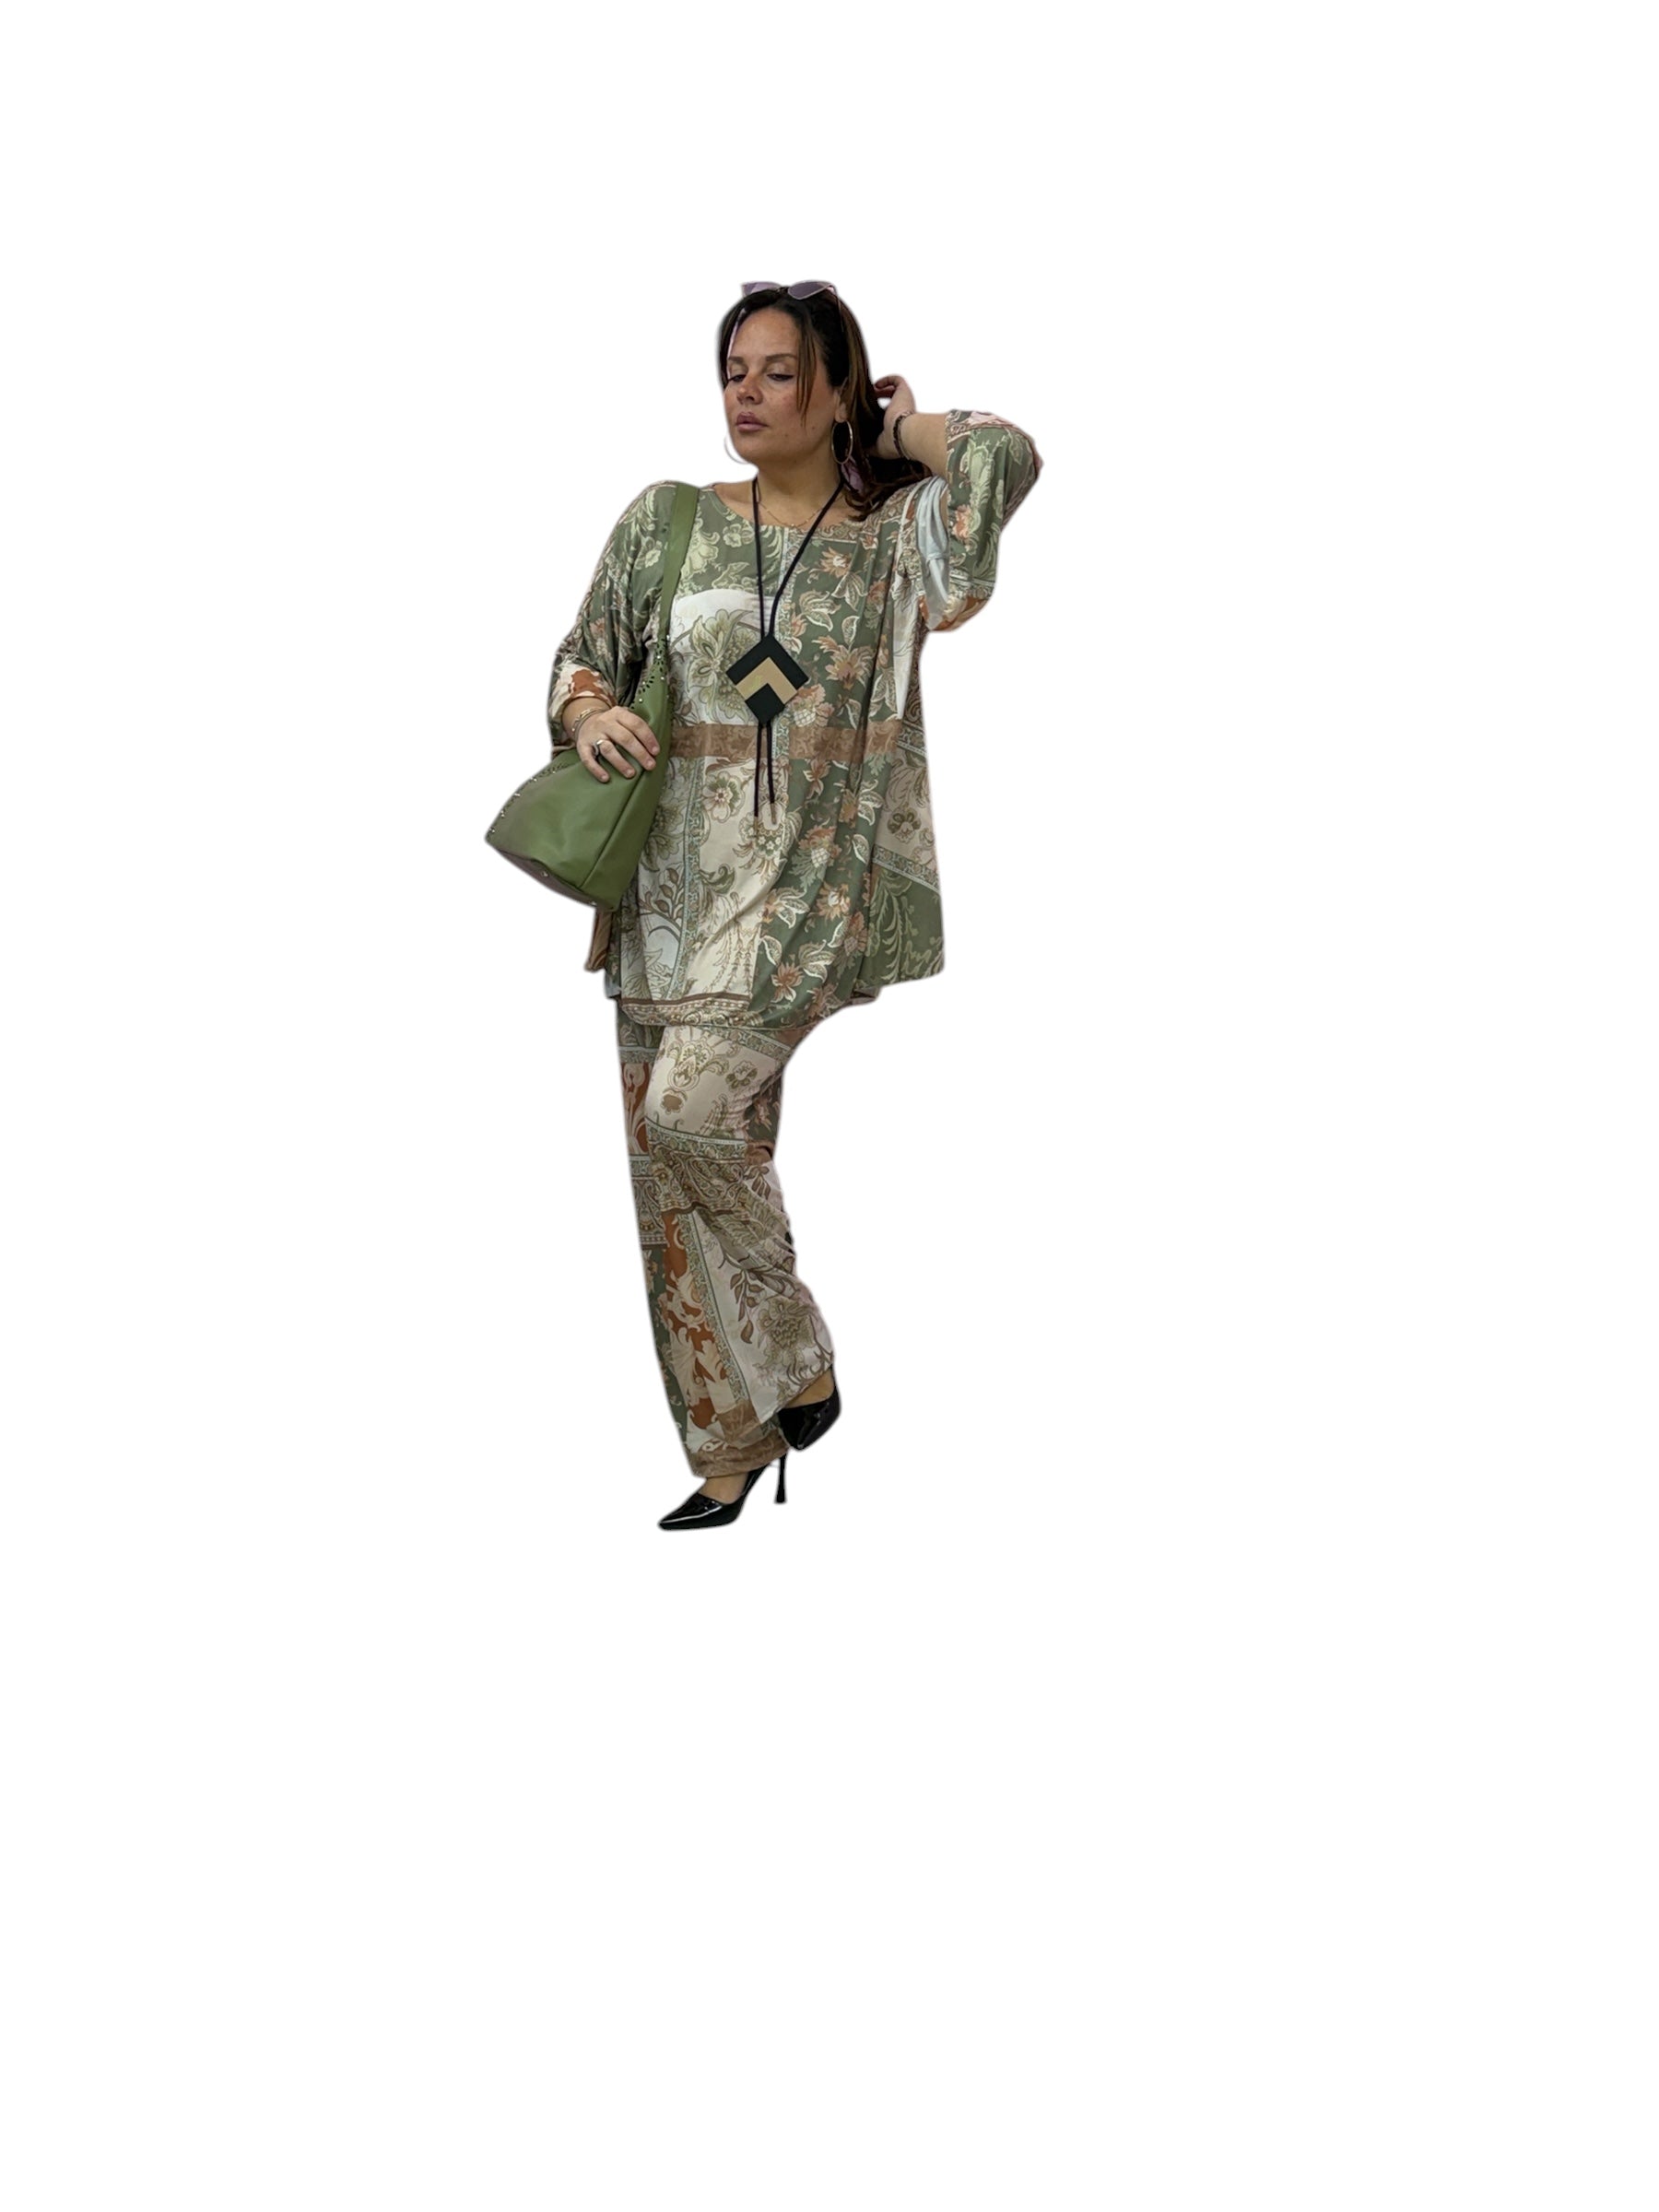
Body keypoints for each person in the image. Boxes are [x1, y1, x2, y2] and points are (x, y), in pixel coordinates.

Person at [545, 281, 1043, 1530]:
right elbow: (585, 655)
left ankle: (799, 1357)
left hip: (802, 902)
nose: (749, 395)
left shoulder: (895, 542)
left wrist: (901, 433)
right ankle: (727, 1448)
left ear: (836, 390)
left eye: (779, 373)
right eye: (734, 372)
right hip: (663, 898)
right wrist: (589, 714)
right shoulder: (666, 520)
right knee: (670, 1189)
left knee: (687, 1119)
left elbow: (1006, 457)